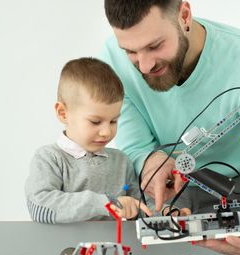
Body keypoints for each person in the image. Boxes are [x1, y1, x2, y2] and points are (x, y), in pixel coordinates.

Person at [100, 0, 240, 255]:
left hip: (234, 195)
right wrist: (150, 161)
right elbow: (137, 149)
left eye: (155, 46)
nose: (144, 65)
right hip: (165, 193)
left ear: (184, 16)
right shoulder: (112, 60)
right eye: (131, 51)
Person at [25, 57, 152, 224]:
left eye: (113, 121)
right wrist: (104, 202)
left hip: (115, 248)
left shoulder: (121, 161)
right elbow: (40, 207)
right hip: (66, 249)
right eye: (95, 122)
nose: (107, 131)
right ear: (63, 113)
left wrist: (166, 213)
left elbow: (140, 208)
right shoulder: (49, 158)